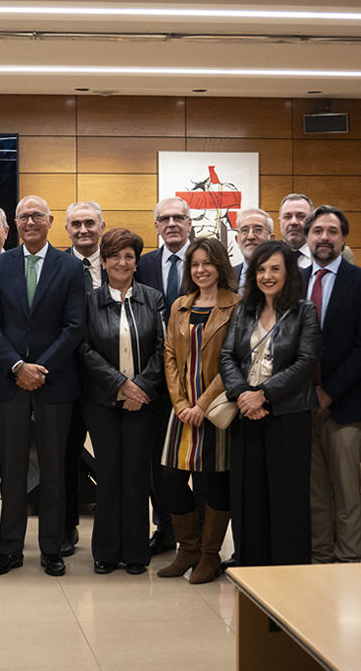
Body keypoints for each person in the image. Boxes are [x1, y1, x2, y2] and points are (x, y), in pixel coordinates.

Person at [0, 194, 85, 577]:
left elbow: (75, 326)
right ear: (15, 224)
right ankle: (10, 549)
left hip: (55, 383)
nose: (29, 222)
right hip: (8, 384)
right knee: (11, 471)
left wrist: (40, 368)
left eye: (36, 216)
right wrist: (17, 366)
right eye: (23, 217)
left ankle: (52, 548)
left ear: (50, 220)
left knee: (55, 469)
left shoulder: (70, 268)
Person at [220, 240, 321, 566]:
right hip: (246, 414)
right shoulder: (243, 309)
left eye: (275, 268)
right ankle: (252, 569)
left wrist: (263, 394)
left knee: (287, 499)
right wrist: (243, 396)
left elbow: (305, 362)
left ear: (288, 272)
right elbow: (227, 357)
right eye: (261, 269)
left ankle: (288, 573)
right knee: (249, 497)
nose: (267, 275)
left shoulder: (304, 310)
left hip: (288, 415)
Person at [80, 228, 168, 575]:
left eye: (128, 256)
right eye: (114, 255)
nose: (121, 262)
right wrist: (120, 386)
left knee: (136, 474)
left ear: (136, 262)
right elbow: (84, 348)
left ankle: (135, 552)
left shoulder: (154, 298)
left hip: (145, 402)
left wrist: (140, 388)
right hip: (101, 401)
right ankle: (105, 551)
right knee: (109, 473)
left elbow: (165, 348)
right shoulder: (89, 301)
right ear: (103, 261)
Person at [159, 237, 241, 583]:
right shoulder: (180, 305)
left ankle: (209, 555)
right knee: (172, 478)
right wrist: (180, 403)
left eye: (207, 263)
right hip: (182, 411)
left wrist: (202, 404)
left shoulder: (237, 306)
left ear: (220, 266)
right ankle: (187, 548)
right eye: (194, 264)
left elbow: (235, 359)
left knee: (217, 480)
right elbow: (170, 356)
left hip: (216, 408)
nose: (201, 270)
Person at [302, 206, 361, 564]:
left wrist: (330, 391)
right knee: (315, 490)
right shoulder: (295, 279)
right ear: (307, 237)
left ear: (343, 238)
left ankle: (349, 557)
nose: (324, 238)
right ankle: (320, 553)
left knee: (347, 489)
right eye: (317, 231)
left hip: (345, 404)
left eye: (332, 231)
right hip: (303, 403)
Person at [135, 196, 195, 555]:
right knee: (159, 464)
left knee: (199, 464)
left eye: (178, 218)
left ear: (190, 223)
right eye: (164, 219)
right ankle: (166, 529)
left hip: (199, 381)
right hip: (157, 382)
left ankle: (202, 534)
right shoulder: (143, 264)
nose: (171, 224)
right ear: (156, 225)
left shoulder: (206, 260)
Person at [60, 200, 108, 557]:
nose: (83, 230)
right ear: (67, 230)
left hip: (114, 382)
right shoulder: (57, 266)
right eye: (75, 224)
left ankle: (115, 529)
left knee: (115, 458)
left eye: (90, 223)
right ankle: (66, 528)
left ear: (101, 227)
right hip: (70, 379)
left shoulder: (121, 262)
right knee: (66, 458)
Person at [233, 207, 273, 291]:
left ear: (271, 239)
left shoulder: (283, 275)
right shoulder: (227, 276)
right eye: (244, 230)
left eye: (258, 230)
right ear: (237, 240)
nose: (251, 236)